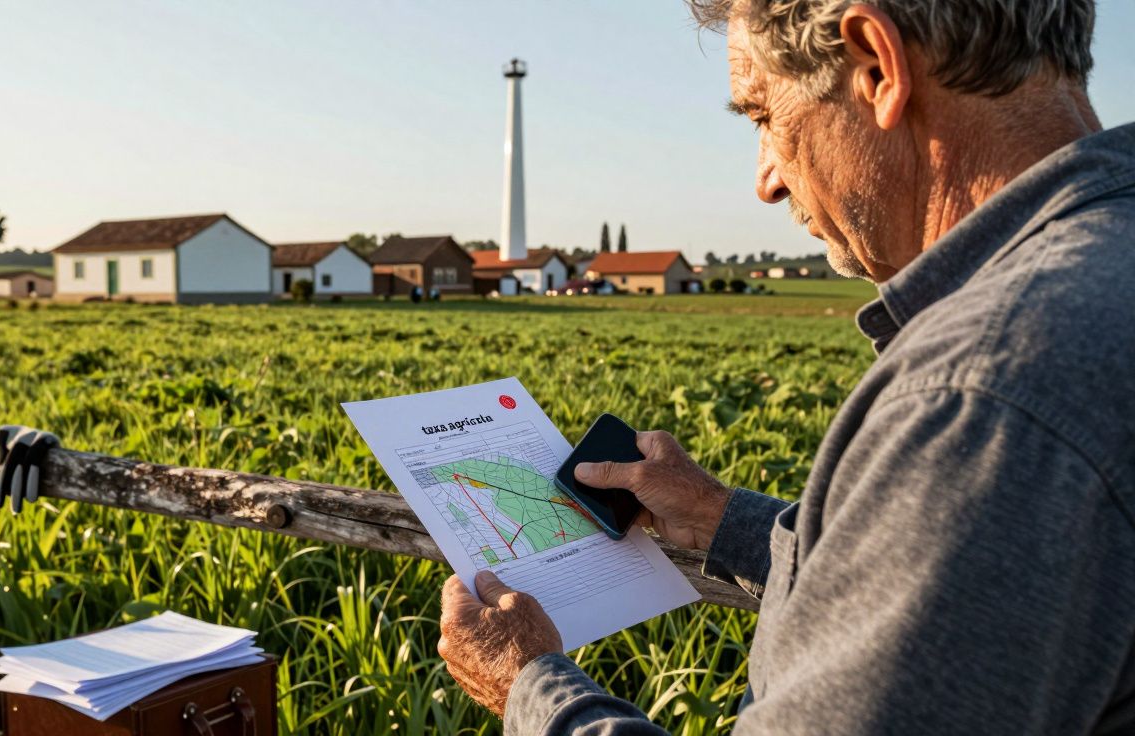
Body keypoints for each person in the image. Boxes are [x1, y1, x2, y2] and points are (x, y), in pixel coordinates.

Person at [437, 1, 1135, 733]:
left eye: (763, 115)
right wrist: (720, 519)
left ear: (876, 66)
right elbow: (992, 594)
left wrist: (532, 690)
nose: (766, 180)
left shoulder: (978, 397)